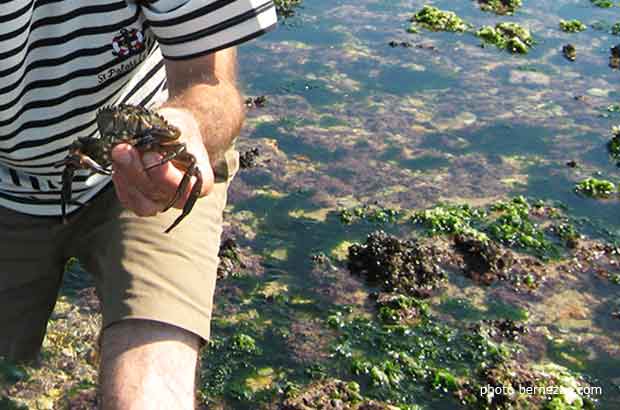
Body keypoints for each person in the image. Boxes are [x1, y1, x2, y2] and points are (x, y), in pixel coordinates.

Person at [0, 1, 277, 409]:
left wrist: (189, 124)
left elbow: (209, 82)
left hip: (156, 160)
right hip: (10, 182)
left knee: (150, 389)